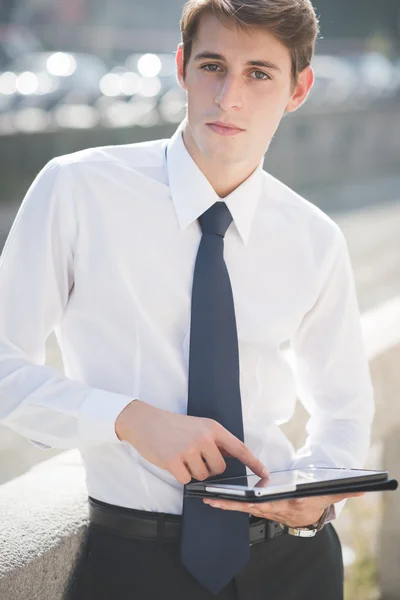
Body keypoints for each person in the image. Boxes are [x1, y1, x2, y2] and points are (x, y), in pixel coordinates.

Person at [0, 1, 375, 599]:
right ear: (180, 67)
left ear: (298, 88)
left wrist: (314, 497)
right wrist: (130, 420)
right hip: (132, 563)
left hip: (293, 568)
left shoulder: (315, 238)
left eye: (259, 74)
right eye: (211, 66)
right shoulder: (76, 190)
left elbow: (345, 409)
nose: (228, 97)